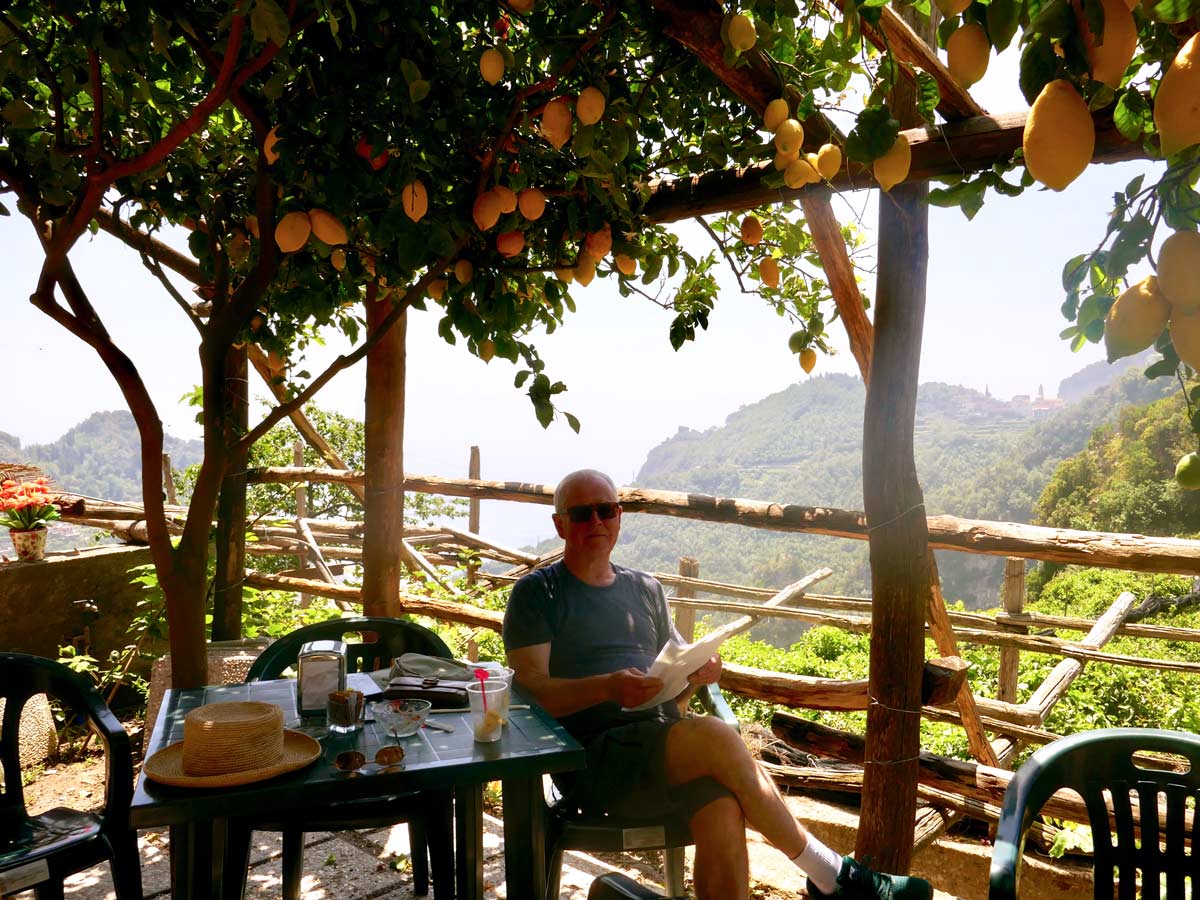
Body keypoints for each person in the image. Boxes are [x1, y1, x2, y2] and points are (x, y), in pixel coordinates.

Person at [504, 469, 934, 900]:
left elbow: (672, 679)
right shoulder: (539, 594)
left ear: (619, 516)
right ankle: (833, 875)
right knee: (714, 732)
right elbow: (533, 691)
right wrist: (606, 688)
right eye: (582, 514)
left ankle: (830, 878)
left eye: (607, 510)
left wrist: (697, 672)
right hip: (592, 761)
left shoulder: (644, 590)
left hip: (658, 749)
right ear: (560, 524)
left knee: (723, 809)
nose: (596, 522)